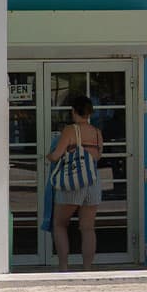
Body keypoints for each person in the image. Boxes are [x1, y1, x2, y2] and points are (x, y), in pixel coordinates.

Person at [48, 94, 103, 271]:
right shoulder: (97, 133)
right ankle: (87, 269)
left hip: (72, 181)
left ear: (73, 111)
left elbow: (56, 155)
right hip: (92, 181)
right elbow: (98, 156)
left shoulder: (70, 131)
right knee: (87, 228)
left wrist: (48, 156)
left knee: (60, 224)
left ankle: (64, 267)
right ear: (90, 113)